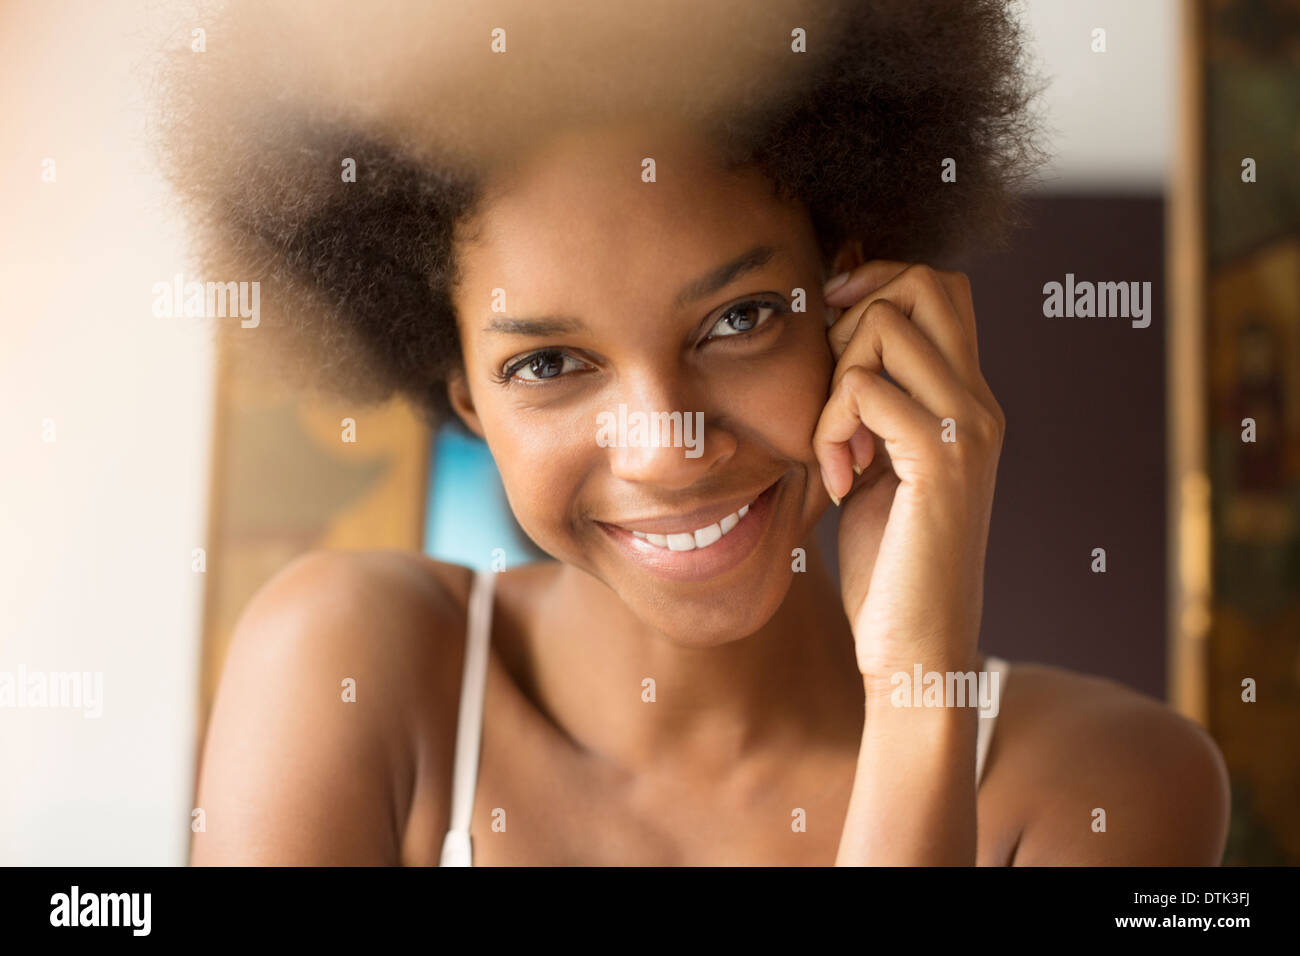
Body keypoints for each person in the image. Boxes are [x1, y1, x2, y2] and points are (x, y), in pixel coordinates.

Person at [179, 0, 1230, 865]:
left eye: (739, 319)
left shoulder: (1113, 784)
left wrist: (917, 698)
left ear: (854, 307)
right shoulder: (353, 668)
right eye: (547, 363)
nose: (668, 444)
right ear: (465, 399)